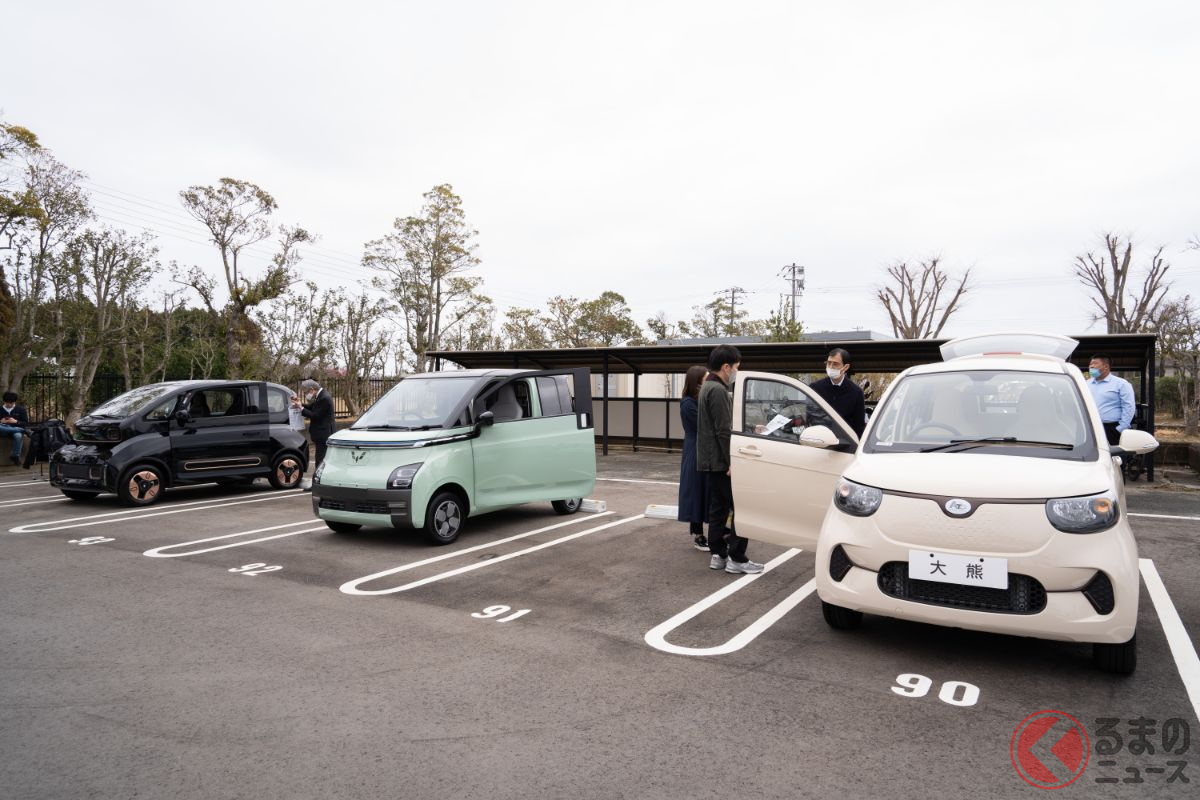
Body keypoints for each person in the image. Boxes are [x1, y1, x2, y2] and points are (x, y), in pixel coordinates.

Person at [697, 344, 763, 575]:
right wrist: (732, 461)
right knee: (741, 508)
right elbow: (723, 430)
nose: (736, 371)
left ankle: (718, 554)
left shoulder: (707, 386)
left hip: (710, 460)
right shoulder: (717, 390)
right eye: (736, 367)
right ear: (726, 367)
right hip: (721, 461)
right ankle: (737, 557)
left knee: (719, 508)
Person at [676, 366, 710, 552]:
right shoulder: (688, 403)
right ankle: (698, 535)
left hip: (703, 448)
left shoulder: (699, 400)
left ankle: (712, 532)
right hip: (695, 449)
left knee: (705, 490)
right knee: (696, 490)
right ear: (697, 381)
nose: (708, 381)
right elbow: (704, 425)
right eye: (706, 378)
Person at [809, 347, 866, 438]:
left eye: (835, 364)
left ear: (846, 367)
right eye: (828, 363)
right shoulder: (815, 388)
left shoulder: (856, 392)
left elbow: (859, 426)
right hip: (819, 440)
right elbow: (809, 417)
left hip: (845, 442)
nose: (830, 367)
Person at [292, 378, 334, 489]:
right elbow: (312, 407)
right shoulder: (320, 396)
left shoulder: (324, 398)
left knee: (320, 460)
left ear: (312, 389)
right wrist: (300, 405)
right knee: (321, 459)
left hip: (323, 434)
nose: (306, 394)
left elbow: (315, 415)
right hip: (321, 434)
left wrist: (301, 408)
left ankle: (317, 484)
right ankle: (320, 483)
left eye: (306, 392)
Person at [1086, 353, 1135, 446]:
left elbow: (1128, 406)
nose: (1091, 366)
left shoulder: (1121, 384)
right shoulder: (1086, 384)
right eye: (1090, 364)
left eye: (1095, 363)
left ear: (1106, 366)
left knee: (1112, 454)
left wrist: (1120, 428)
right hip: (1090, 427)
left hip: (1111, 428)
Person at [1, 391, 29, 466]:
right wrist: (1, 421)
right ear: (4, 401)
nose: (10, 405)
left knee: (18, 436)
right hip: (2, 430)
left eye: (12, 403)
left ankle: (15, 456)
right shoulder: (0, 409)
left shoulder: (21, 410)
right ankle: (23, 431)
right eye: (8, 403)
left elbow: (25, 423)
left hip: (15, 431)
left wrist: (16, 421)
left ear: (15, 402)